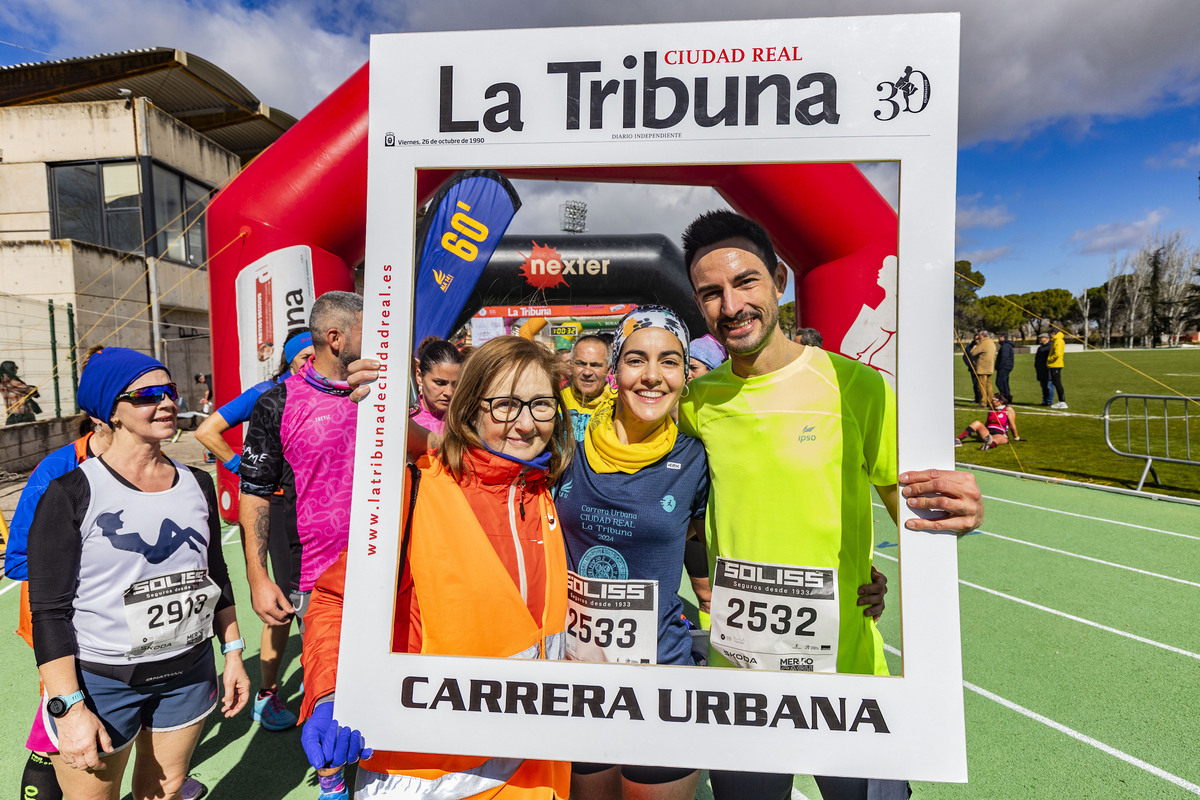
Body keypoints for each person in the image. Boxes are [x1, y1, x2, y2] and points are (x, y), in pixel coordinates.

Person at [678, 210, 983, 800]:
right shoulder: (696, 403)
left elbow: (921, 513)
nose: (730, 305)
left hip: (848, 674)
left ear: (780, 281)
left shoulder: (858, 389)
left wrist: (962, 515)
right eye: (710, 293)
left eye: (745, 283)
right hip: (740, 674)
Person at [299, 335, 573, 799]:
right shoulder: (416, 490)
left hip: (535, 774)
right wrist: (327, 693)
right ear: (470, 408)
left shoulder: (545, 492)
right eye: (505, 405)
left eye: (541, 405)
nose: (526, 424)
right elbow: (335, 600)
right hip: (426, 780)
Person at [27, 347, 249, 800]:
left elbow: (216, 576)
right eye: (148, 394)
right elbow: (48, 612)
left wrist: (232, 652)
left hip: (188, 673)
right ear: (112, 410)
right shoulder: (71, 492)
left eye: (168, 391)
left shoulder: (196, 483)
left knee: (163, 793)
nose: (166, 402)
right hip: (104, 682)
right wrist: (68, 709)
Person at [239, 291, 362, 800]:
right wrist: (258, 576)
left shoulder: (387, 391)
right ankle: (332, 783)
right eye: (366, 330)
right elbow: (255, 493)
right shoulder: (279, 401)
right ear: (335, 338)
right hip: (320, 579)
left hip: (396, 567)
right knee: (328, 683)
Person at [194, 330, 315, 732]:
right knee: (286, 608)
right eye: (305, 356)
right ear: (290, 360)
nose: (312, 362)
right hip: (276, 510)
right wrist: (240, 468)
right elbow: (207, 431)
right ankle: (268, 695)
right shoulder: (270, 393)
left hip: (317, 510)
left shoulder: (334, 391)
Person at [563, 334, 614, 441]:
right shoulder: (556, 400)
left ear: (608, 370)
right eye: (581, 364)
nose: (587, 372)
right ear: (571, 365)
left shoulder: (619, 404)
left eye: (595, 365)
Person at [410, 338, 462, 436]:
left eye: (455, 384)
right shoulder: (405, 418)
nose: (449, 392)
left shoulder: (466, 420)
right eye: (440, 383)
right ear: (420, 377)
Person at [955, 394, 1020, 450]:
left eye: (994, 399)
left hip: (1001, 434)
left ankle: (988, 445)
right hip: (988, 432)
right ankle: (958, 440)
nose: (992, 400)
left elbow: (1012, 425)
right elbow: (987, 422)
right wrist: (982, 431)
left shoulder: (1008, 409)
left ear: (1000, 402)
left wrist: (1016, 437)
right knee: (977, 423)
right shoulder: (991, 408)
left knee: (995, 439)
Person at [1, 359, 41, 424]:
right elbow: (30, 390)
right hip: (22, 415)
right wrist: (34, 388)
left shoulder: (2, 382)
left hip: (11, 414)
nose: (17, 369)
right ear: (10, 369)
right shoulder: (12, 382)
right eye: (15, 367)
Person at [969, 330, 996, 407]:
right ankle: (990, 401)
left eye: (980, 335)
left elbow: (973, 352)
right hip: (989, 367)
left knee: (981, 386)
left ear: (982, 336)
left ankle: (983, 402)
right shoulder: (991, 342)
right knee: (989, 386)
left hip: (982, 368)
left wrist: (975, 345)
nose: (978, 336)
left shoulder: (983, 343)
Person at [1047, 327, 1067, 409]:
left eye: (1049, 335)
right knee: (1056, 383)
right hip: (1054, 365)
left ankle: (1062, 401)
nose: (1049, 336)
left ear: (1053, 333)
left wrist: (1049, 359)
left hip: (1056, 364)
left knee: (1057, 383)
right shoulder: (1056, 340)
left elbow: (1057, 354)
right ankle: (1061, 401)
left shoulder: (1058, 341)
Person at [1034, 332, 1054, 406]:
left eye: (1042, 337)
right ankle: (1044, 401)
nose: (1040, 339)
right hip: (1041, 370)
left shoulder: (1051, 346)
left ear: (1046, 338)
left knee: (1049, 385)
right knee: (1043, 386)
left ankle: (1049, 401)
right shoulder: (1040, 348)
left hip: (1048, 369)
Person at [994, 332, 1015, 403]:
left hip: (1004, 367)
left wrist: (999, 366)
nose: (998, 339)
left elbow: (1004, 357)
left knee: (1000, 382)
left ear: (1003, 337)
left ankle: (1004, 397)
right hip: (1006, 367)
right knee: (1004, 382)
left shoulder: (1005, 346)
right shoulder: (1007, 345)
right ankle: (1007, 397)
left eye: (999, 337)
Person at [962, 333, 981, 405]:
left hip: (980, 368)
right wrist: (970, 365)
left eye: (978, 339)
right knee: (975, 384)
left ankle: (983, 399)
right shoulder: (969, 347)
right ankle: (977, 398)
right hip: (972, 368)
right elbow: (965, 357)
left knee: (981, 384)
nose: (977, 340)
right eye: (976, 339)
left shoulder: (982, 346)